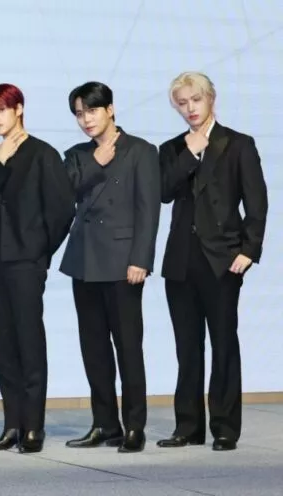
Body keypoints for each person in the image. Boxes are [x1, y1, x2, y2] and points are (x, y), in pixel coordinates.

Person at [157, 72, 267, 452]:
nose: (190, 108)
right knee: (187, 347)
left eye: (195, 100)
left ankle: (224, 427)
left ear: (210, 99)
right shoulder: (172, 148)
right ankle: (188, 426)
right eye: (182, 103)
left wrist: (249, 250)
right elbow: (163, 192)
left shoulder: (238, 144)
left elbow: (257, 202)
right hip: (181, 261)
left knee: (223, 344)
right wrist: (189, 153)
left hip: (222, 259)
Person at [0, 83, 75, 453]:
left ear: (19, 109)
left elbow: (63, 210)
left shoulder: (43, 153)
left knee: (29, 341)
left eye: (1, 109)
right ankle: (11, 425)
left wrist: (40, 252)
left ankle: (33, 427)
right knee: (4, 342)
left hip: (27, 260)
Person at [59, 81, 160, 453]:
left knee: (129, 347)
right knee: (94, 348)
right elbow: (62, 195)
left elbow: (148, 208)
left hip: (122, 263)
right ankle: (104, 424)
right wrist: (94, 164)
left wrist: (141, 259)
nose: (86, 119)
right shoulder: (76, 155)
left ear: (110, 109)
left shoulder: (141, 151)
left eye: (92, 110)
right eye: (79, 113)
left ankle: (135, 426)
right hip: (84, 260)